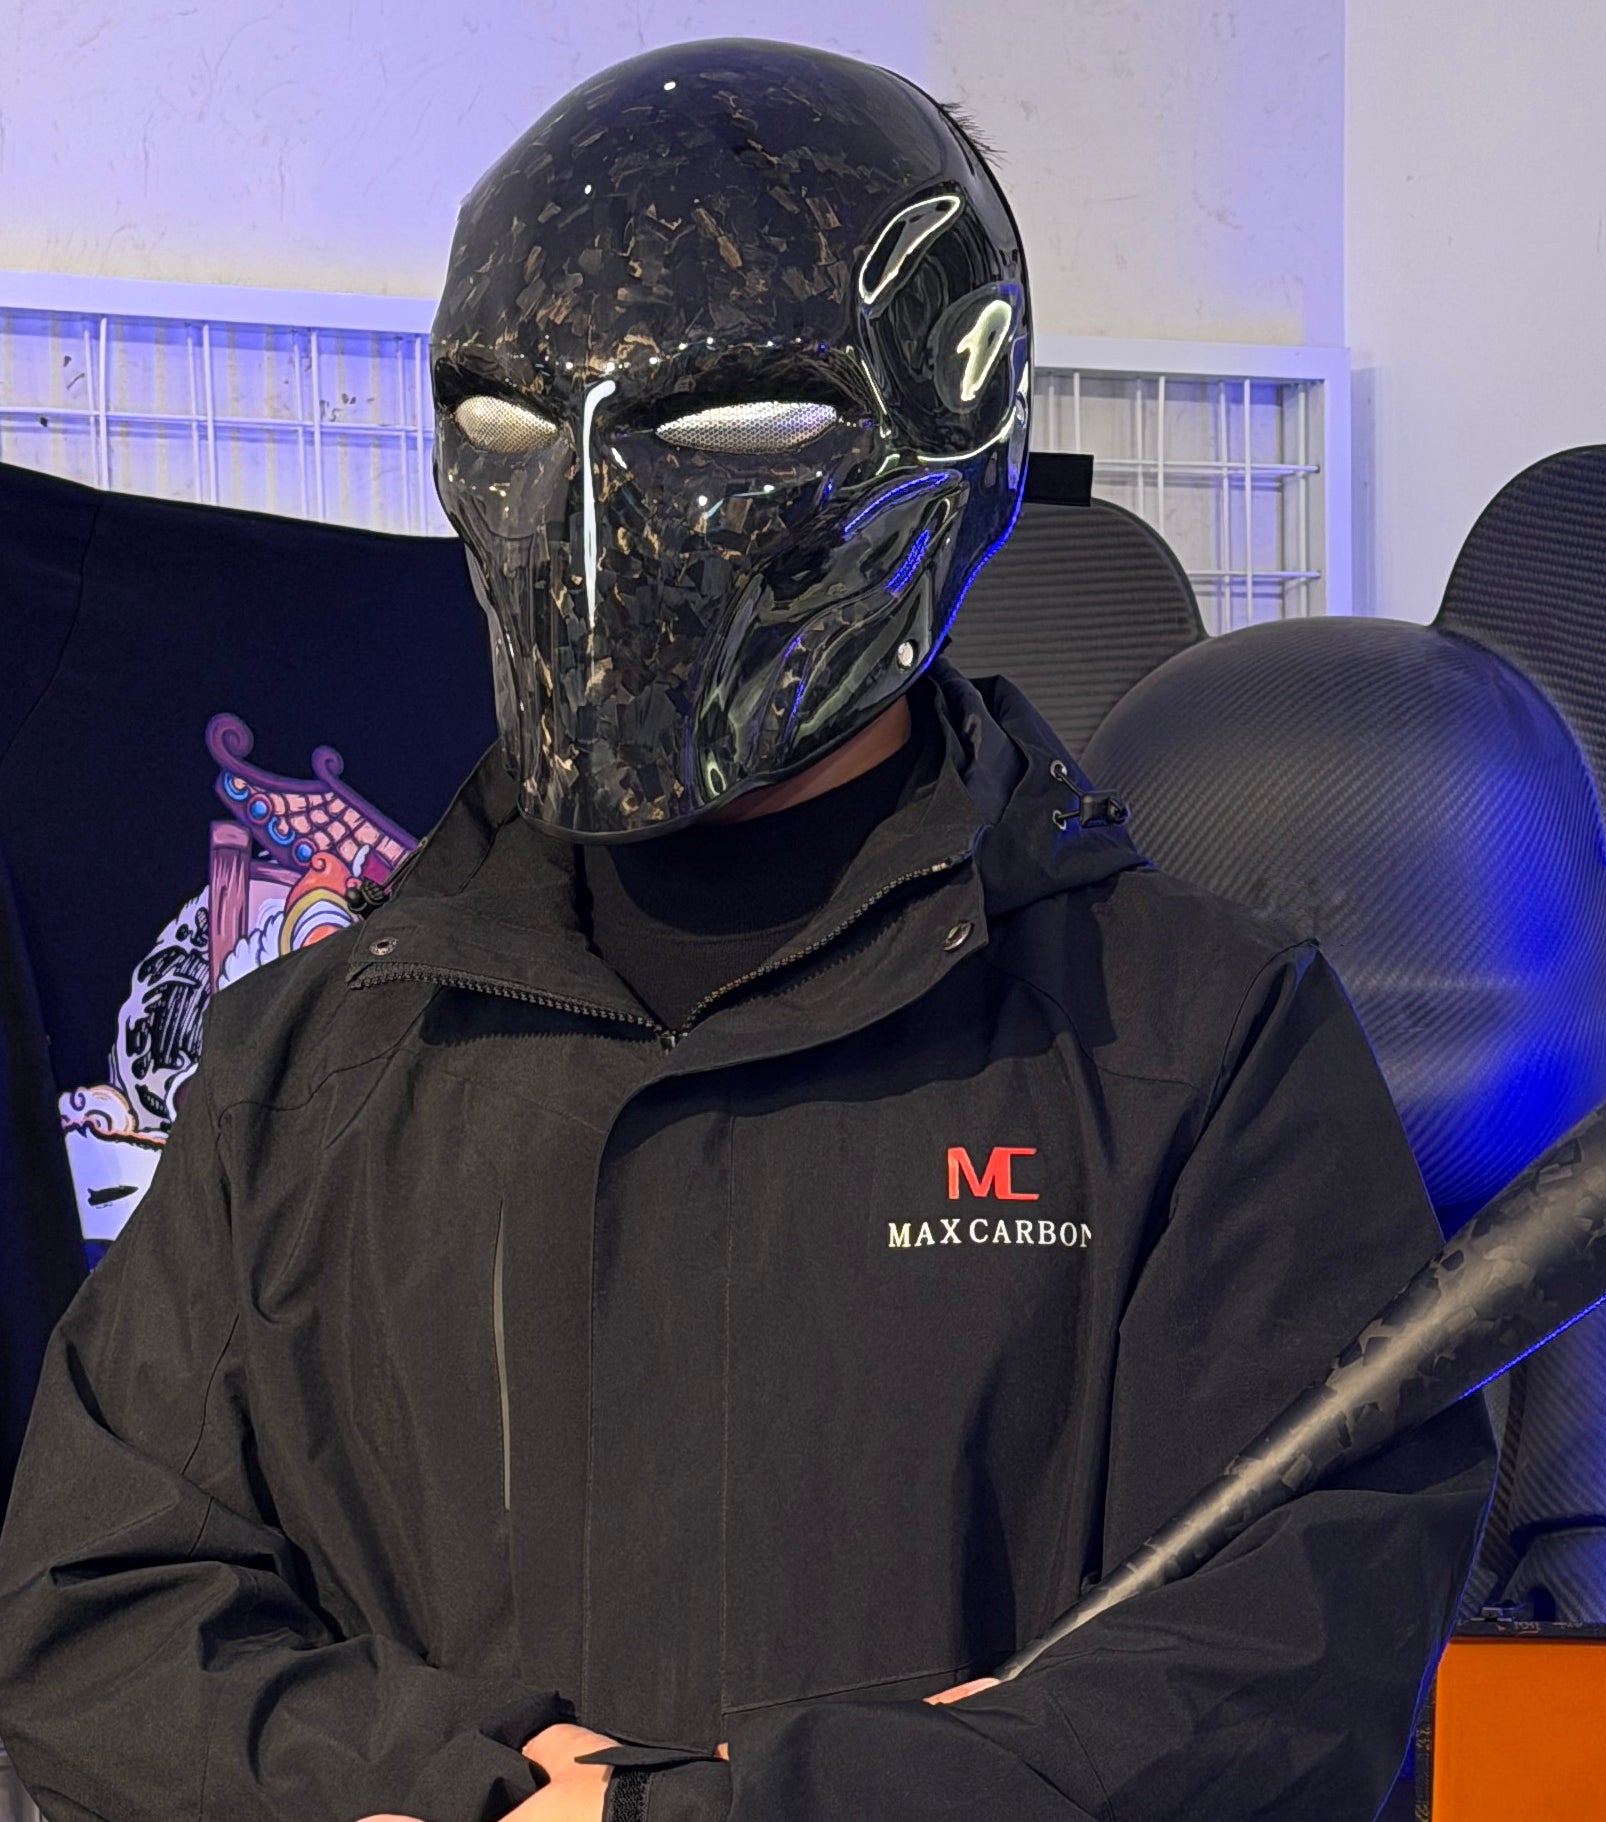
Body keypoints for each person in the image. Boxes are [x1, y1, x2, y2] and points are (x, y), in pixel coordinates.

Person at [0, 39, 1494, 1822]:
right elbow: (92, 1617)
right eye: (511, 427)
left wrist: (718, 1806)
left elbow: (1285, 1665)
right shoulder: (309, 1068)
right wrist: (454, 1784)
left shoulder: (1195, 1047)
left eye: (724, 431)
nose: (591, 524)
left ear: (949, 423)